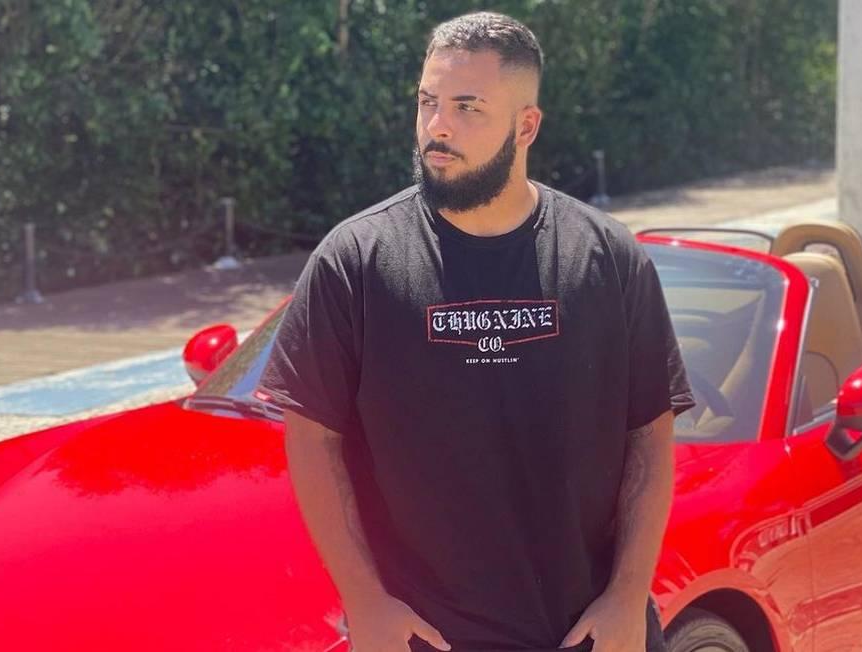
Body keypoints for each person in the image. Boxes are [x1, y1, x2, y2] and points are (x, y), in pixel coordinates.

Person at [257, 11, 694, 652]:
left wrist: (628, 595)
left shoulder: (608, 257)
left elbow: (650, 436)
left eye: (467, 108)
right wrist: (365, 600)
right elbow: (312, 438)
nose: (437, 126)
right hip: (425, 637)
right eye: (427, 102)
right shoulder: (354, 261)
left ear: (526, 126)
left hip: (590, 633)